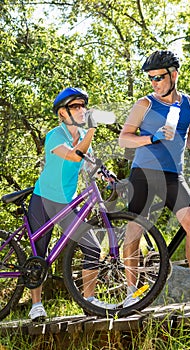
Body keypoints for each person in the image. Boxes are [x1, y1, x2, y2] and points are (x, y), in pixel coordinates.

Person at [118, 50, 190, 308]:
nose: (155, 83)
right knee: (134, 229)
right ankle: (130, 294)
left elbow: (186, 134)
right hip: (145, 173)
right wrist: (152, 137)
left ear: (174, 74)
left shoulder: (189, 104)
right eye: (151, 78)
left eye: (159, 77)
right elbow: (124, 138)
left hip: (173, 174)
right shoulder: (144, 104)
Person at [27, 87, 114, 322]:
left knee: (92, 247)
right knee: (39, 253)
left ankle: (90, 300)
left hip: (65, 203)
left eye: (82, 106)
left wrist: (107, 175)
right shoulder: (55, 135)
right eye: (75, 106)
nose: (82, 110)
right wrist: (93, 130)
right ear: (62, 114)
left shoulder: (85, 136)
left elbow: (89, 164)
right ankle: (36, 305)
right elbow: (75, 155)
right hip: (44, 199)